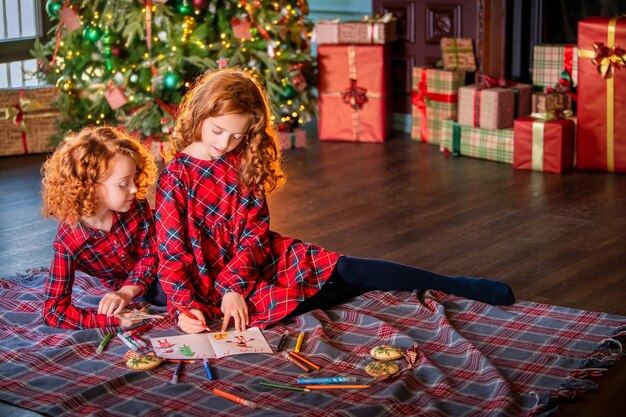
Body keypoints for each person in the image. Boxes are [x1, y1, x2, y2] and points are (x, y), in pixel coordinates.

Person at [156, 68, 515, 335]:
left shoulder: (242, 161)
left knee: (346, 267)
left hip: (256, 258)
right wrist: (184, 307)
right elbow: (172, 254)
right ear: (201, 115)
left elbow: (254, 233)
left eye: (237, 136)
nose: (225, 143)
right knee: (309, 296)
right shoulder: (176, 174)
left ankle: (457, 284)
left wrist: (234, 284)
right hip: (205, 279)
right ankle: (342, 290)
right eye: (218, 131)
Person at [41, 126, 165, 329]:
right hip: (138, 286)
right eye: (124, 183)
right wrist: (114, 319)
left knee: (174, 289)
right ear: (90, 187)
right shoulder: (69, 241)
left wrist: (127, 291)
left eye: (134, 178)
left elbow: (153, 252)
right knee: (164, 294)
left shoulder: (136, 205)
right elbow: (54, 311)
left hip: (165, 263)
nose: (135, 188)